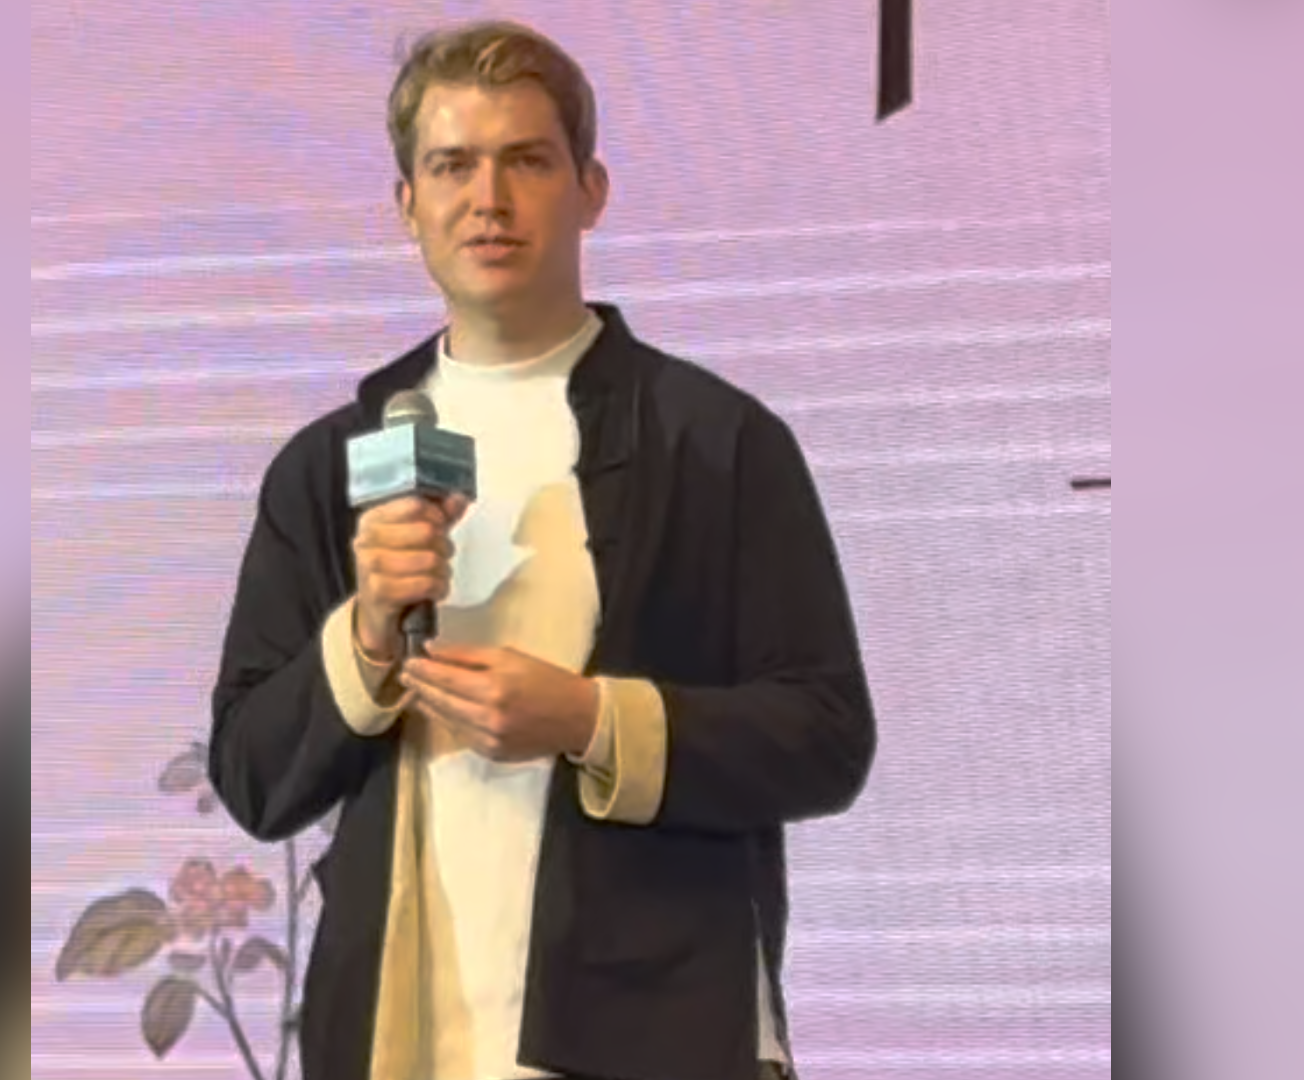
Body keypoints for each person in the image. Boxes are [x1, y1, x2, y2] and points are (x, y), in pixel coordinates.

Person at [209, 21, 874, 1080]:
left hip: (656, 1034)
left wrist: (590, 718)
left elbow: (827, 737)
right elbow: (252, 776)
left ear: (590, 190)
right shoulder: (330, 464)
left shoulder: (716, 441)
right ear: (407, 205)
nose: (489, 198)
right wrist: (368, 634)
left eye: (526, 160)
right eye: (452, 166)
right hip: (401, 1037)